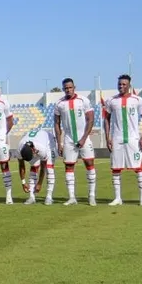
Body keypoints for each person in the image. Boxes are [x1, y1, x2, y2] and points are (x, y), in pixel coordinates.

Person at [104, 74, 142, 206]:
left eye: (124, 84)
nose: (121, 86)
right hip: (117, 138)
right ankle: (117, 198)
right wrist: (108, 137)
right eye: (119, 84)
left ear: (129, 85)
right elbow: (106, 119)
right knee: (116, 169)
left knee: (138, 168)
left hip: (133, 139)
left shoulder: (137, 100)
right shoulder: (111, 101)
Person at [53, 78, 97, 206]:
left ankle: (92, 196)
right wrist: (59, 143)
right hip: (69, 139)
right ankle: (72, 197)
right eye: (66, 88)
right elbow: (56, 124)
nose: (68, 90)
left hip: (84, 138)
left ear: (74, 87)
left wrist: (83, 138)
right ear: (63, 89)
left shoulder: (83, 100)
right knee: (69, 166)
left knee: (89, 164)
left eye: (70, 87)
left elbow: (90, 120)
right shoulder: (59, 104)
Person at [17, 128, 56, 205]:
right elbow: (21, 165)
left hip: (48, 141)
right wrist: (23, 182)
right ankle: (31, 197)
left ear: (33, 151)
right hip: (35, 142)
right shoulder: (19, 149)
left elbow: (43, 167)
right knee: (34, 166)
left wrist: (39, 183)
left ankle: (49, 197)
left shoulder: (42, 149)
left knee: (49, 168)